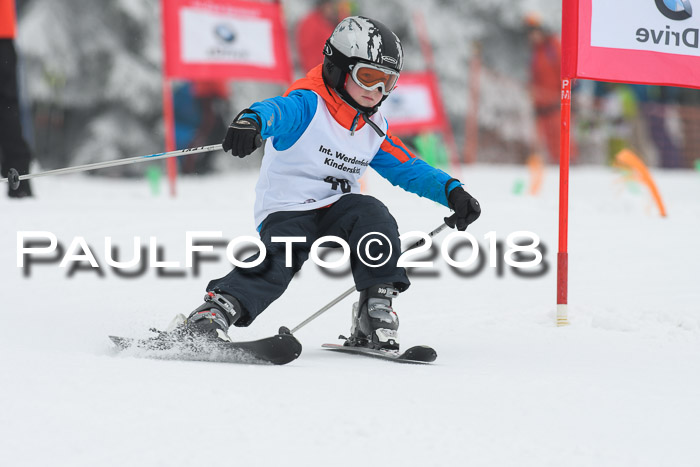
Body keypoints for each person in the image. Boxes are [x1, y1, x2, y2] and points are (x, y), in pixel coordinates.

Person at [182, 17, 481, 351]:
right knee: (282, 256)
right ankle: (214, 313)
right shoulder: (310, 103)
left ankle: (374, 310)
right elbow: (275, 111)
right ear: (339, 67)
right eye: (368, 77)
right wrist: (251, 122)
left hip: (338, 208)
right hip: (288, 208)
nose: (377, 92)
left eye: (387, 82)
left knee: (373, 215)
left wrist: (451, 191)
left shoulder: (373, 125)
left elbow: (408, 167)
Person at [0, 0, 33, 198]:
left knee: (8, 109)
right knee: (8, 108)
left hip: (4, 36)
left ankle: (18, 179)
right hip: (3, 39)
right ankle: (19, 182)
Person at [525, 13, 564, 164]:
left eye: (534, 32)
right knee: (543, 142)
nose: (531, 36)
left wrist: (564, 95)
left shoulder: (553, 47)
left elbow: (564, 72)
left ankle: (568, 166)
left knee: (560, 138)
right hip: (541, 106)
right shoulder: (536, 51)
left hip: (557, 104)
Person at [295, 0, 338, 73]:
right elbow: (307, 49)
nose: (333, 9)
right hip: (318, 71)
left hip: (328, 70)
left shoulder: (329, 21)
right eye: (330, 6)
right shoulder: (311, 23)